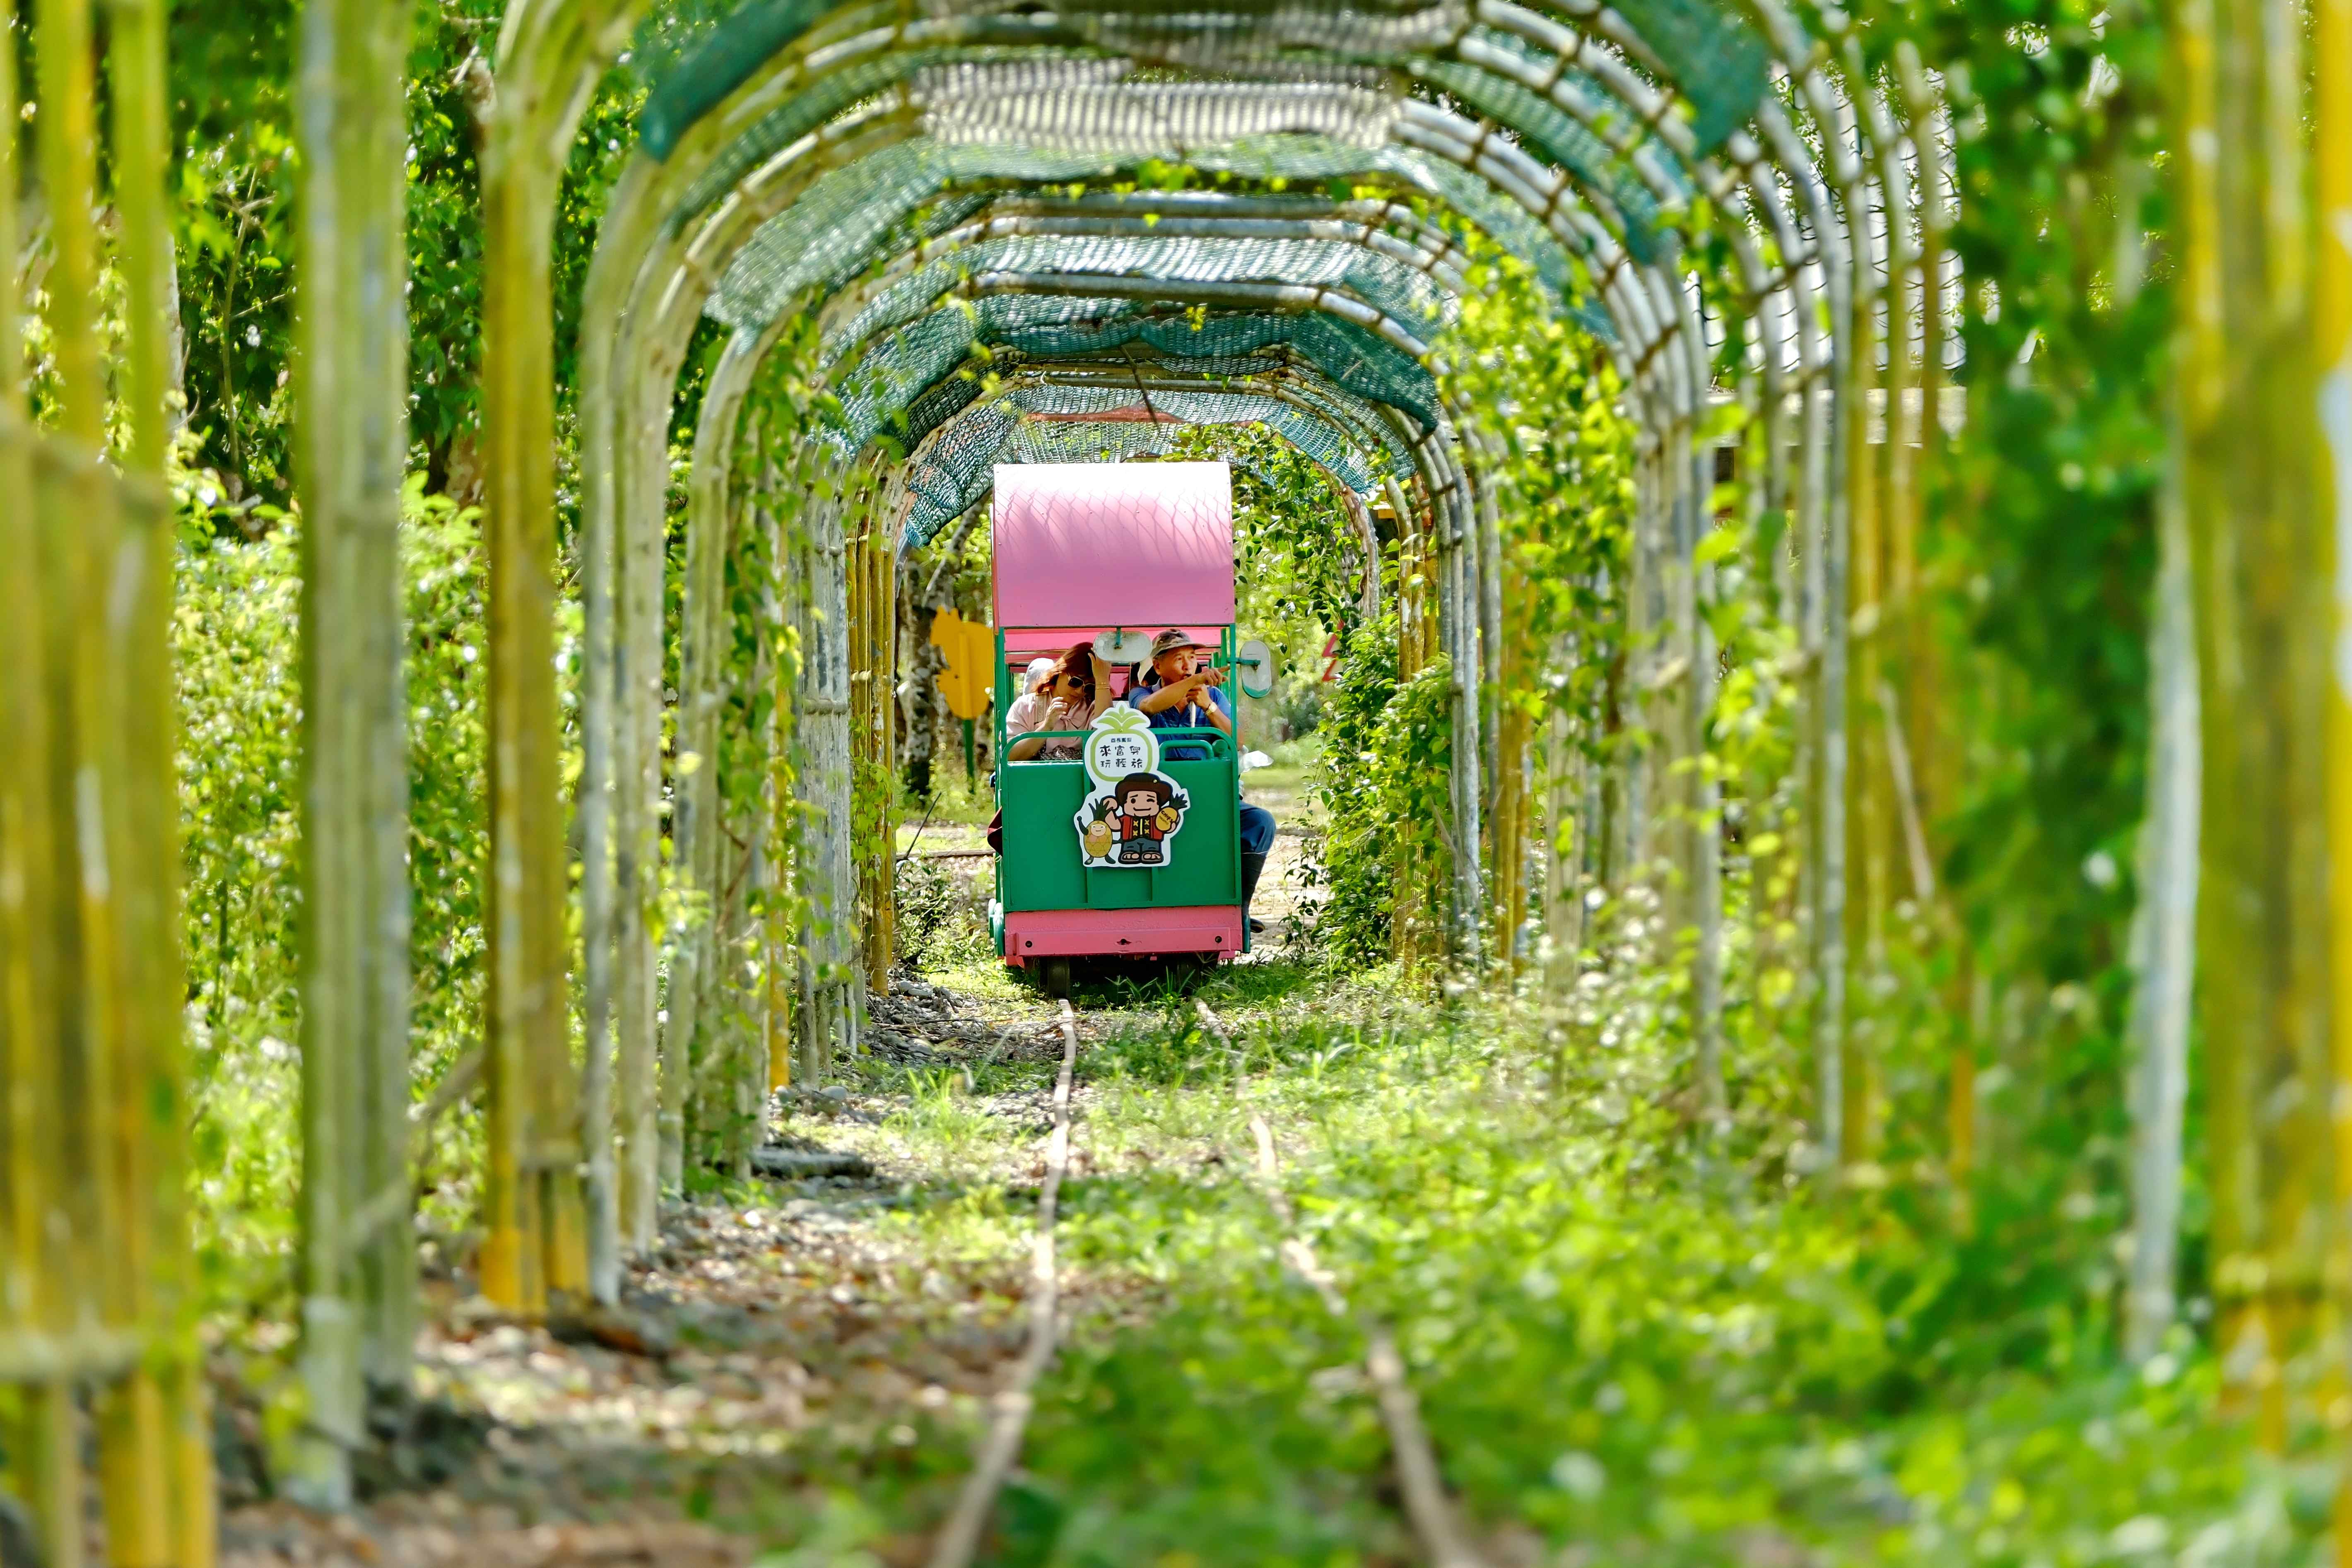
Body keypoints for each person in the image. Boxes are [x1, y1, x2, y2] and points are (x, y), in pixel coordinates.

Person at [1128, 629, 1278, 930]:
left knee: (1260, 822)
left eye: (1193, 658)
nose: (1188, 665)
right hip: (1159, 801)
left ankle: (1239, 908)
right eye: (1179, 659)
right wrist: (1194, 681)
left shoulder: (1214, 696)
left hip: (1209, 794)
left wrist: (1209, 706)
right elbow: (1149, 708)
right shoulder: (1141, 694)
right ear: (1158, 666)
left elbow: (1237, 740)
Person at [1004, 642, 1110, 762]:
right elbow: (1009, 756)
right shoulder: (1026, 706)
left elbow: (1110, 742)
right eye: (1076, 682)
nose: (1080, 691)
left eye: (1089, 687)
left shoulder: (1094, 710)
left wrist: (1103, 680)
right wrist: (1046, 727)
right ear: (1061, 670)